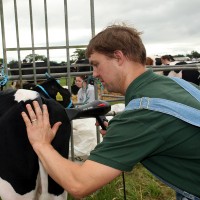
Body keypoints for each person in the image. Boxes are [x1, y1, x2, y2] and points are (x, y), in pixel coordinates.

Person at [21, 24, 200, 200]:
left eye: (96, 64)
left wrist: (41, 143)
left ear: (118, 57)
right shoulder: (182, 85)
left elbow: (79, 184)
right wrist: (126, 136)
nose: (95, 74)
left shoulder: (141, 115)